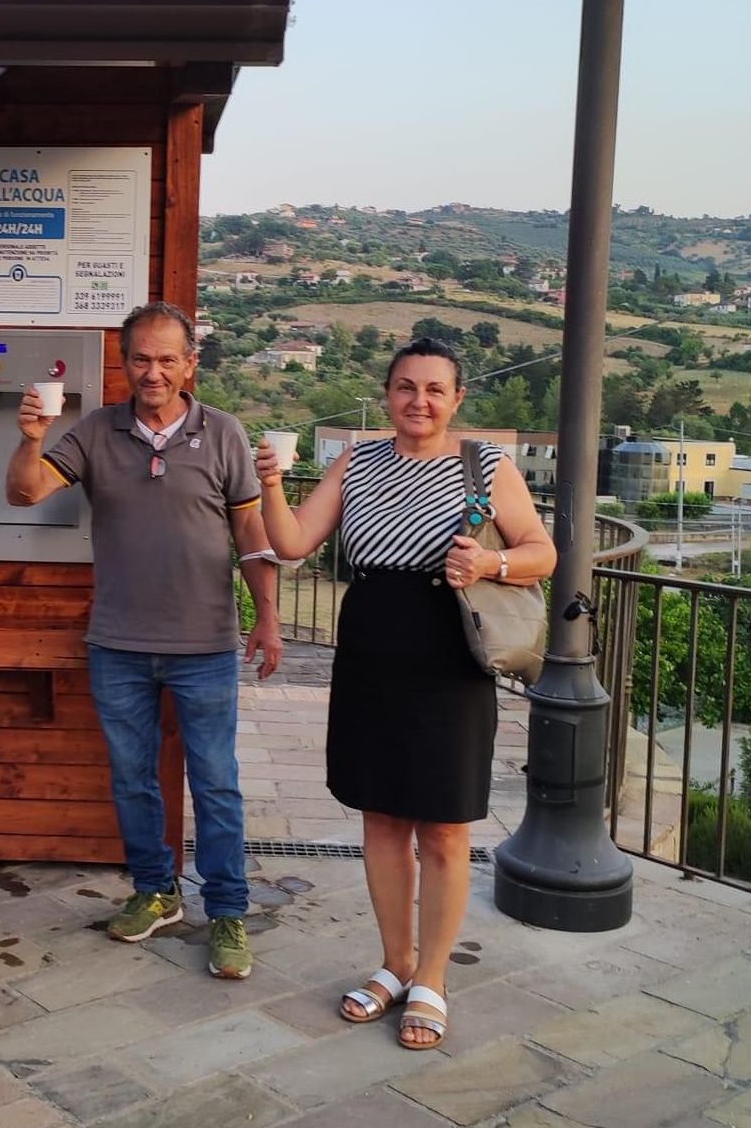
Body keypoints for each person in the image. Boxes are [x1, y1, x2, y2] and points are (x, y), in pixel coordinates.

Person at [255, 336, 555, 1048]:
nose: (418, 401)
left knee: (446, 829)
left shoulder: (487, 466)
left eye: (433, 389)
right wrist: (270, 483)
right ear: (387, 394)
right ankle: (394, 966)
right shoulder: (356, 459)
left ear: (456, 399)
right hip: (371, 652)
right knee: (382, 821)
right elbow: (294, 542)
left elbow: (544, 553)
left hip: (450, 654)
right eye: (404, 387)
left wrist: (492, 559)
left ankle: (433, 978)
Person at [6, 301, 283, 980]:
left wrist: (268, 615)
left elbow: (251, 534)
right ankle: (156, 891)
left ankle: (226, 912)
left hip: (207, 645)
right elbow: (25, 493)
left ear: (191, 364)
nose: (152, 371)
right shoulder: (97, 431)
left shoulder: (224, 434)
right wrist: (31, 436)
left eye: (167, 358)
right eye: (140, 358)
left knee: (216, 784)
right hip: (118, 644)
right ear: (124, 364)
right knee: (132, 780)